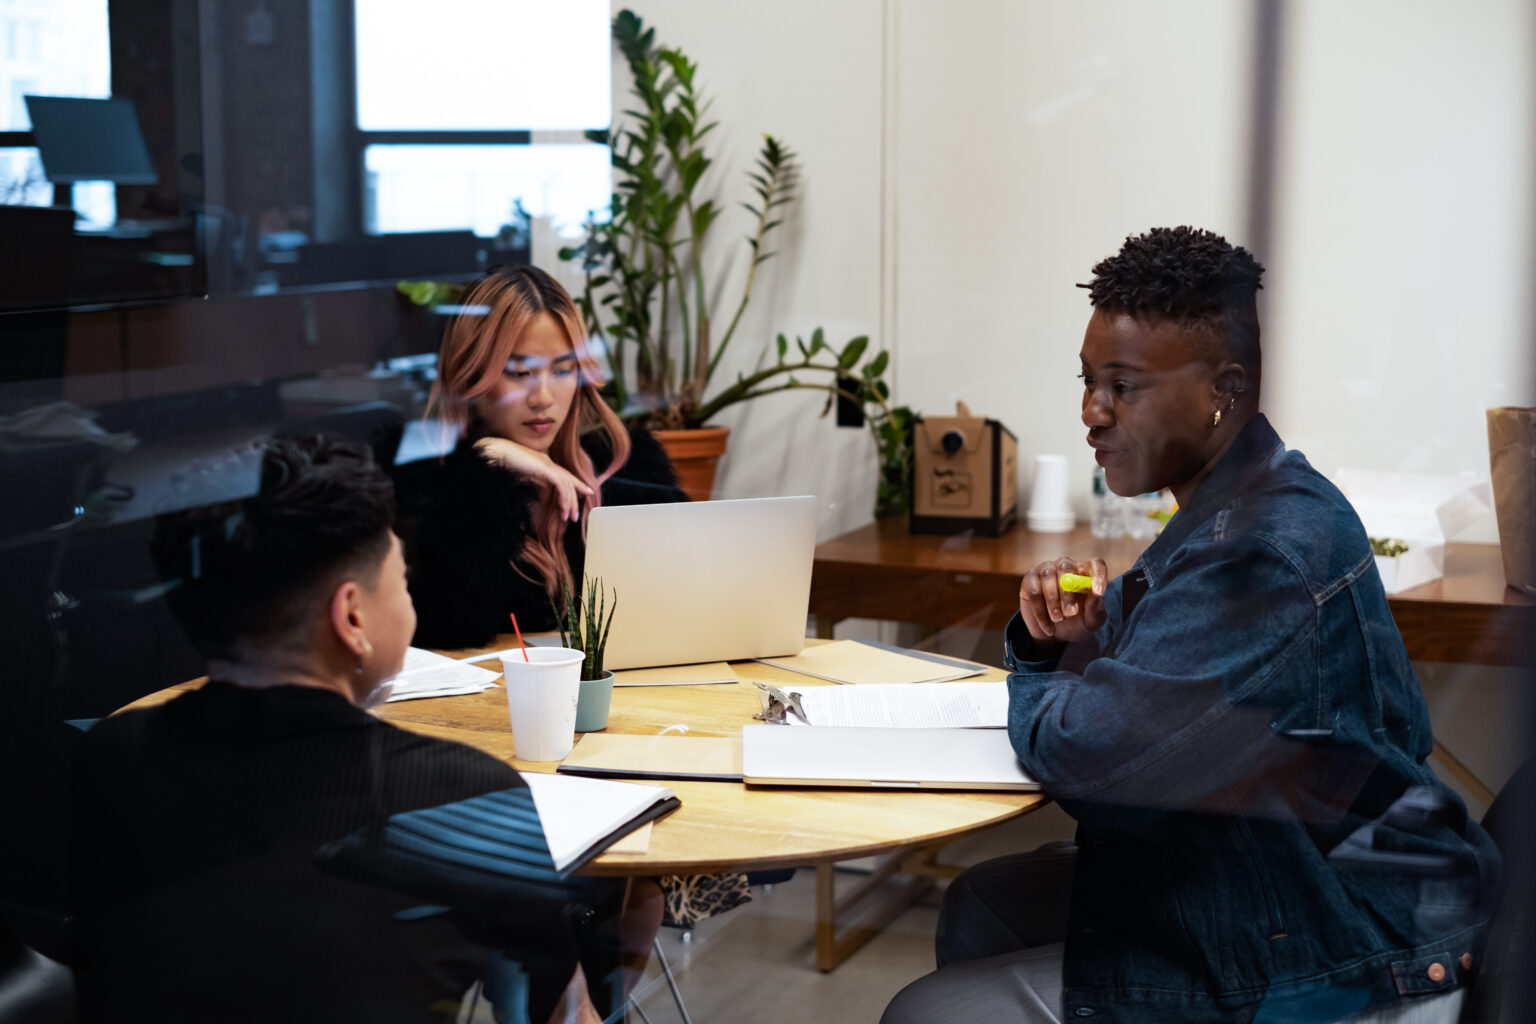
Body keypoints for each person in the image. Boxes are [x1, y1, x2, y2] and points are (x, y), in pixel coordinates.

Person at [883, 227, 1500, 1023]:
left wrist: (1036, 674)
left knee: (926, 1012)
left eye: (1124, 386)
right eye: (1088, 380)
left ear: (1226, 390)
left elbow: (1090, 760)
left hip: (1347, 940)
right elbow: (1149, 682)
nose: (1091, 412)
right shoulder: (1241, 505)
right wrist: (1056, 639)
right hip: (1274, 870)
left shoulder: (1263, 552)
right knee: (980, 905)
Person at [69, 436, 622, 1024]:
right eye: (400, 577)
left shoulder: (113, 754)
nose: (407, 595)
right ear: (352, 616)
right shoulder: (462, 794)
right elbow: (556, 1009)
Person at [405, 264, 685, 650]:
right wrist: (485, 462)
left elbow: (680, 611)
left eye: (563, 370)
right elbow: (450, 631)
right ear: (470, 376)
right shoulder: (429, 489)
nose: (543, 398)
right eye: (520, 373)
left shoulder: (622, 472)